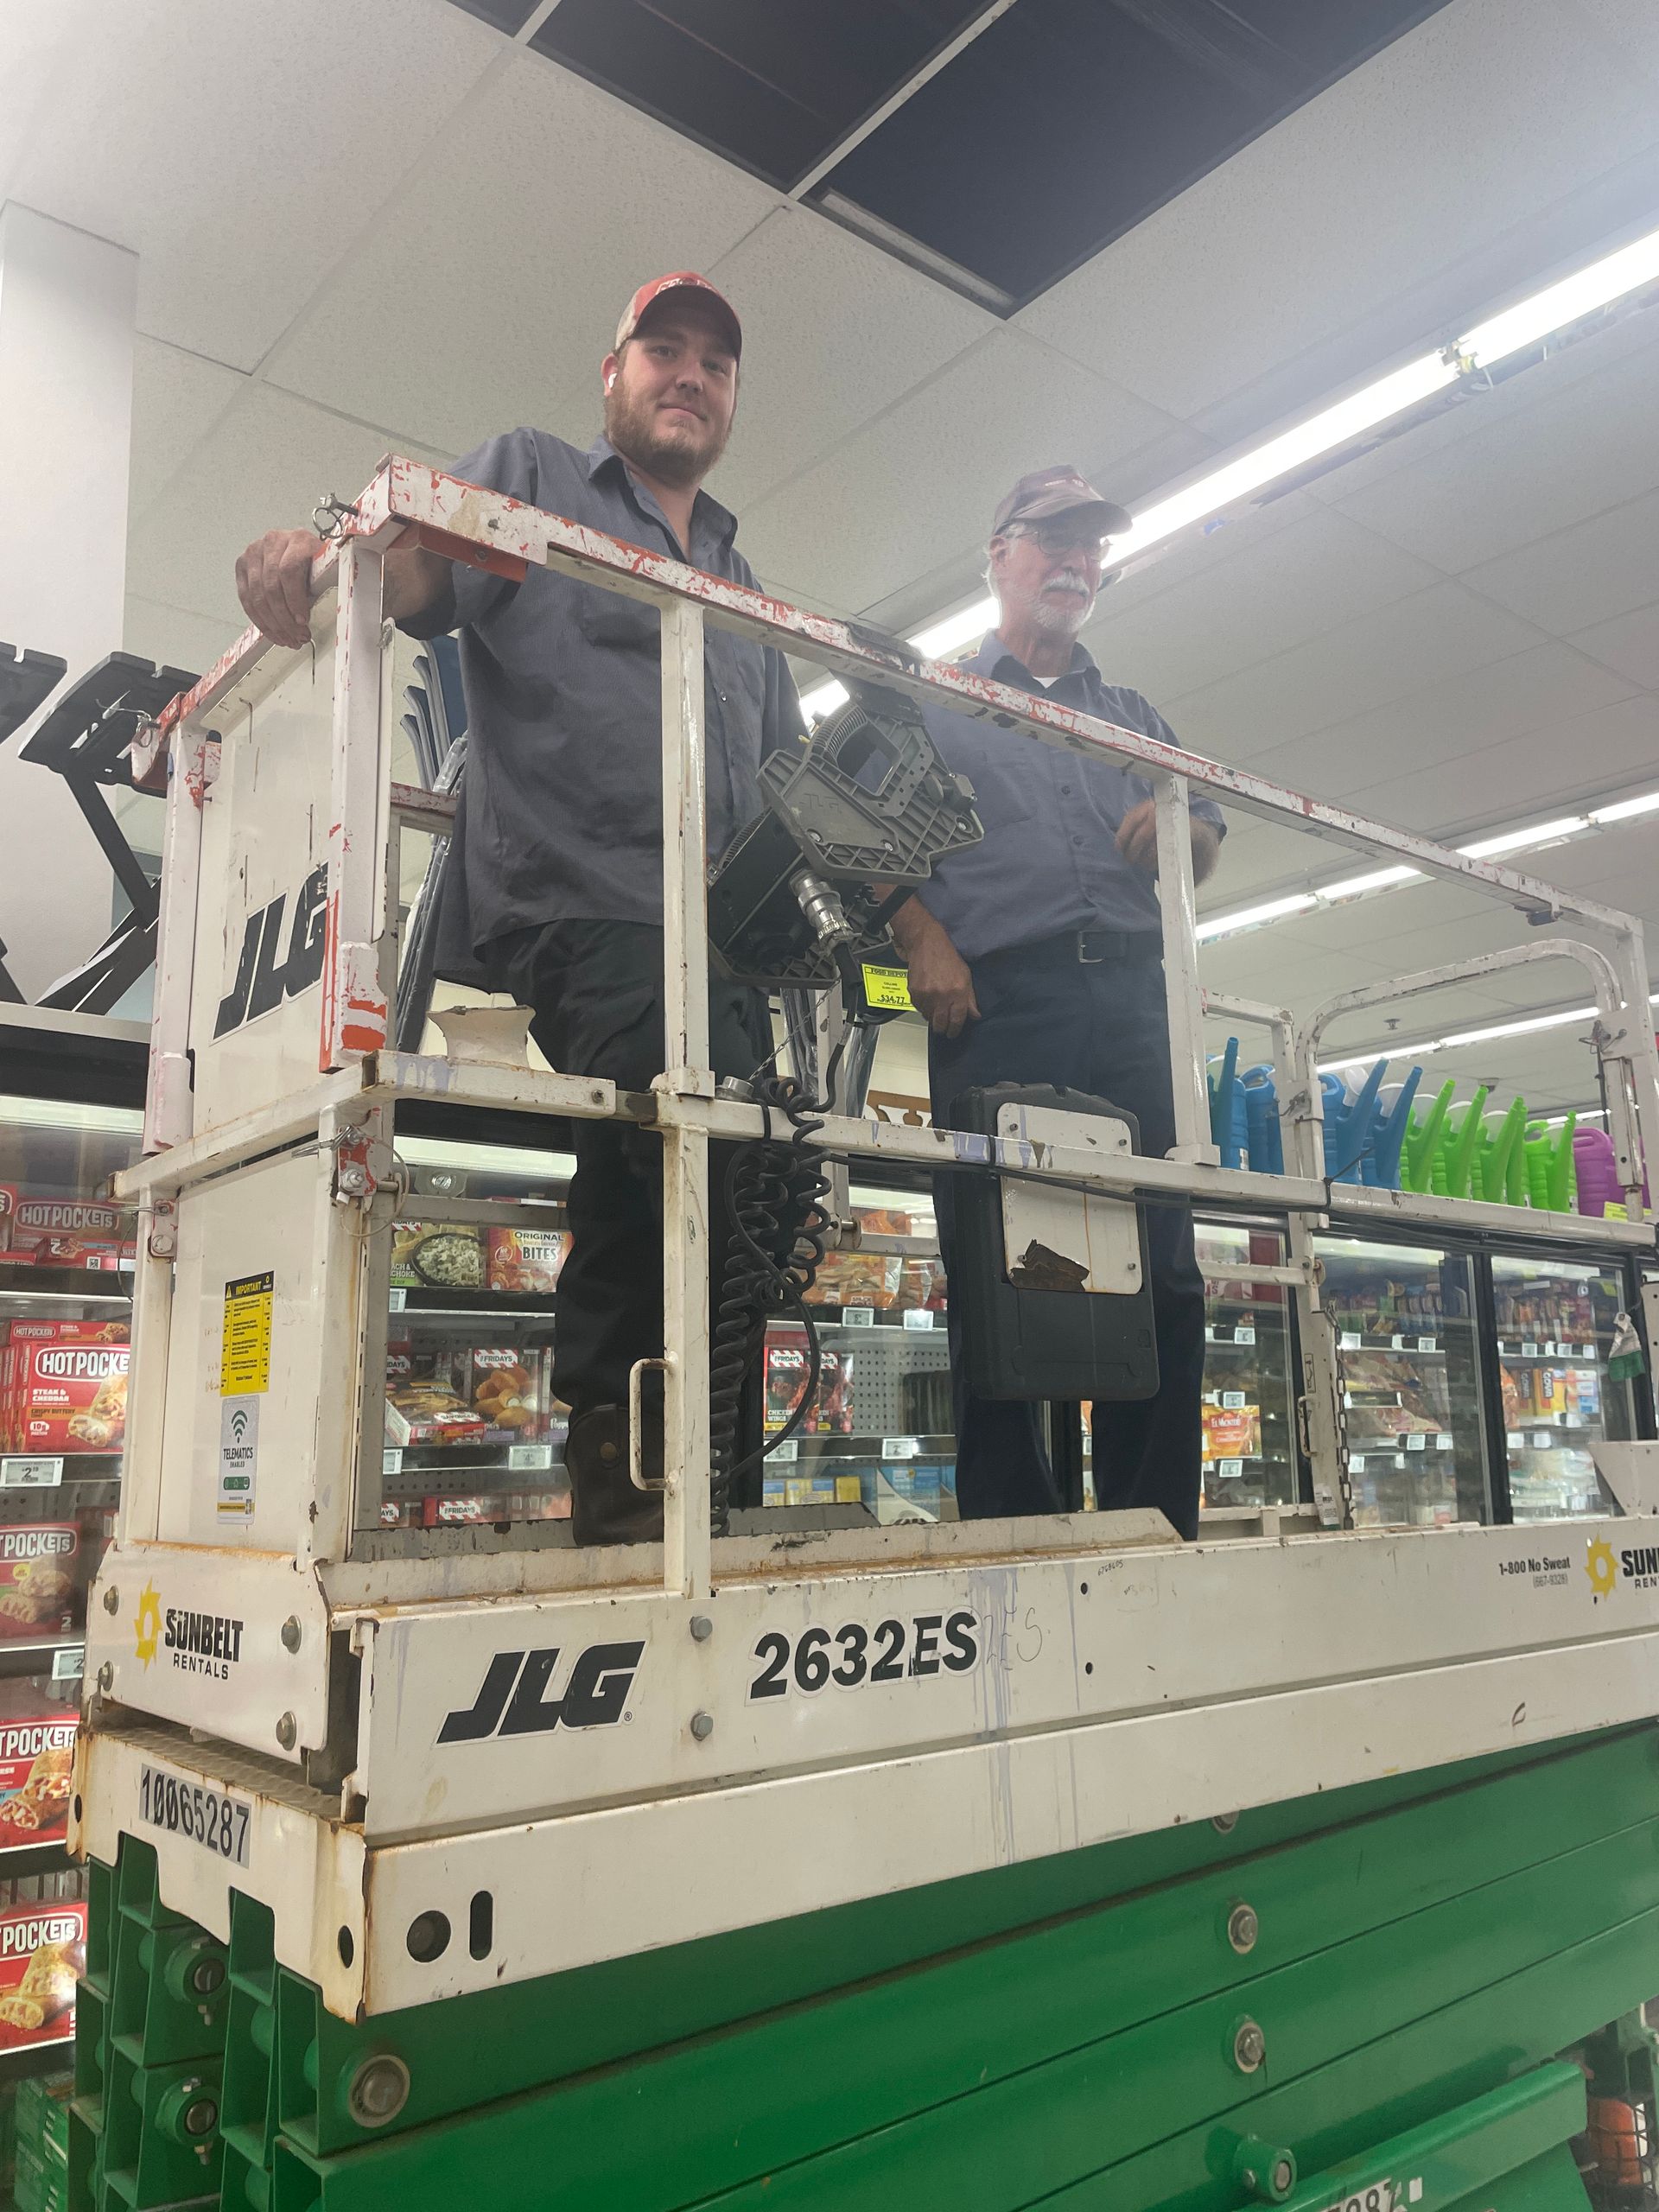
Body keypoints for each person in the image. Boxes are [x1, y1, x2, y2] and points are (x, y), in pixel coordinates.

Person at [234, 271, 804, 1546]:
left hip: (725, 936)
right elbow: (419, 575)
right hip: (583, 902)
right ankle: (623, 1487)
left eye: (715, 359)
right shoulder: (536, 478)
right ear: (614, 375)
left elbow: (782, 779)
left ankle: (716, 1478)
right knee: (666, 1115)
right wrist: (313, 559)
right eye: (663, 348)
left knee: (755, 1176)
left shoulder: (740, 577)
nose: (689, 373)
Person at [890, 465, 1223, 1541]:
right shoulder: (941, 698)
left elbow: (1204, 831)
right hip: (1004, 1000)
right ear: (999, 553)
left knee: (1163, 1267)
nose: (1077, 562)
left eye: (1093, 548)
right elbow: (862, 839)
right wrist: (919, 934)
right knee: (1004, 1265)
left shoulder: (1133, 718)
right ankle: (1011, 1530)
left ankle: (1150, 1529)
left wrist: (1190, 835)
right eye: (1054, 539)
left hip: (1132, 995)